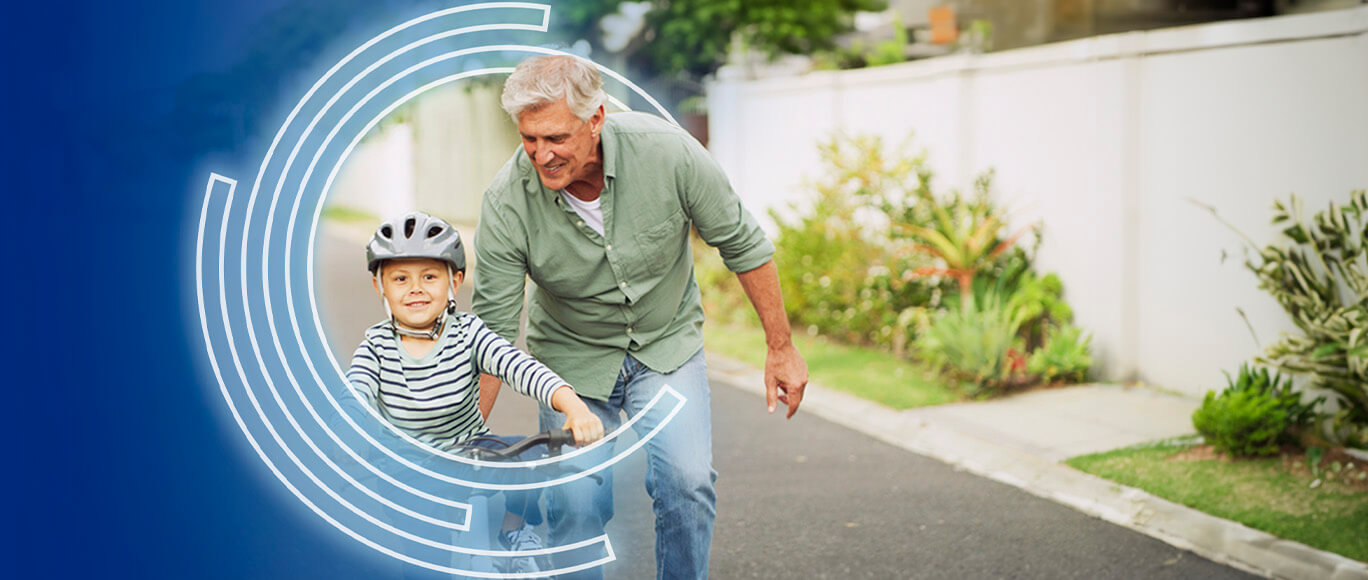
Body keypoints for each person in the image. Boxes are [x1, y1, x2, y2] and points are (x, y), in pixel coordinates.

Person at [472, 54, 809, 579]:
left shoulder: (669, 153)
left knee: (687, 483)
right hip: (570, 359)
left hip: (665, 344)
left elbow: (742, 244)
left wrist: (780, 347)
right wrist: (463, 432)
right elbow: (491, 329)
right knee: (575, 502)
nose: (542, 155)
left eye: (556, 137)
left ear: (596, 119)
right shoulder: (507, 201)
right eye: (529, 139)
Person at [346, 211, 605, 575]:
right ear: (380, 287)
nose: (416, 288)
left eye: (430, 276)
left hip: (471, 452)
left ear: (455, 281)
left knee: (525, 459)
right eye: (400, 278)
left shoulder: (468, 332)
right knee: (427, 564)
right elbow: (355, 393)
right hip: (408, 469)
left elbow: (518, 366)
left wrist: (573, 406)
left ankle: (512, 535)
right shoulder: (376, 346)